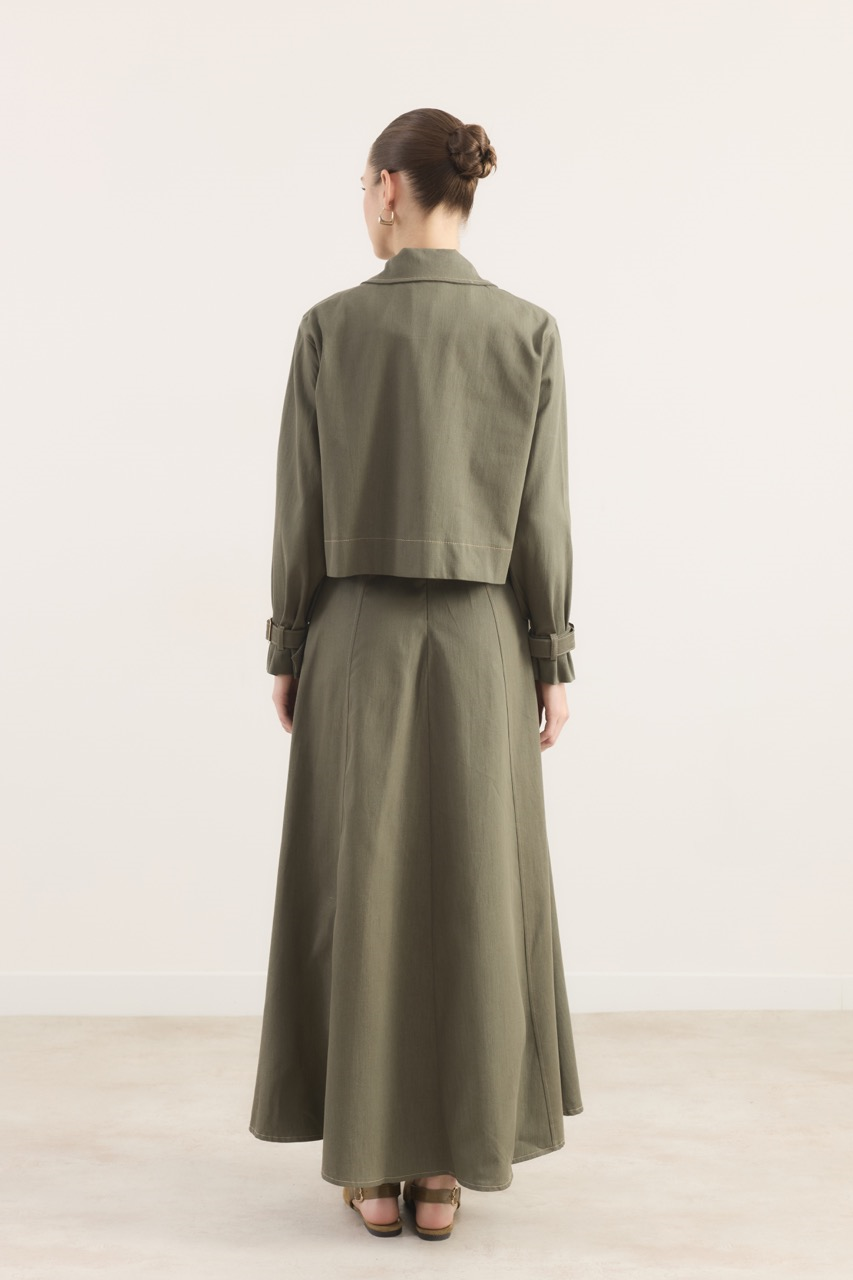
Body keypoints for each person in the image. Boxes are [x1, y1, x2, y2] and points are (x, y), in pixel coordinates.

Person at [249, 107, 583, 1243]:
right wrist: (551, 658)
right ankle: (446, 1168)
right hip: (485, 642)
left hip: (357, 638)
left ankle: (374, 1164)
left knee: (365, 891)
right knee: (474, 892)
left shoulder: (331, 328)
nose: (364, 202)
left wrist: (288, 643)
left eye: (363, 184)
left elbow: (299, 508)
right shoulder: (527, 330)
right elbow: (542, 517)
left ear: (390, 188)